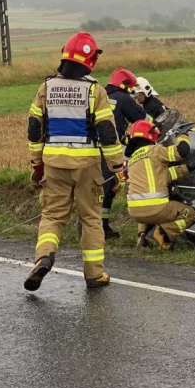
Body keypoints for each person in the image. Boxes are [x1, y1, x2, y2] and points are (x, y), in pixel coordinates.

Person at [25, 32, 126, 291]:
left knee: (52, 216)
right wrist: (117, 167)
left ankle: (44, 257)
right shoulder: (95, 91)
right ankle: (95, 274)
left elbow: (34, 128)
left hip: (54, 164)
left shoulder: (46, 88)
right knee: (91, 218)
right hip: (86, 166)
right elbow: (107, 133)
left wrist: (37, 165)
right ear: (91, 61)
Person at [124, 119, 195, 250]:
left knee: (146, 210)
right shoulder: (155, 151)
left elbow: (161, 176)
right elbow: (181, 151)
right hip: (156, 208)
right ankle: (162, 233)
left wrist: (187, 168)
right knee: (192, 214)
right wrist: (183, 135)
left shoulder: (132, 159)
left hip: (134, 212)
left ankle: (142, 238)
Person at [101, 68, 146, 239]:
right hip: (109, 151)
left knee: (97, 187)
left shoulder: (101, 95)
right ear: (125, 85)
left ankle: (95, 225)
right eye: (131, 88)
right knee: (108, 186)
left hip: (91, 149)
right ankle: (99, 227)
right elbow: (142, 119)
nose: (132, 92)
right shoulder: (123, 98)